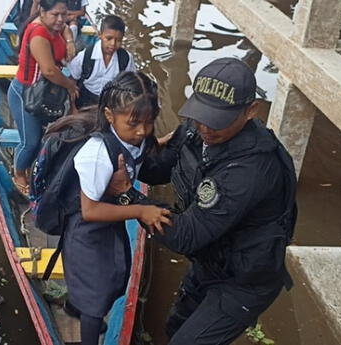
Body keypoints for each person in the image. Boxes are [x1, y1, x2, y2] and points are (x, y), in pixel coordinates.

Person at [107, 58, 298, 345]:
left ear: (250, 111)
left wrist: (128, 195)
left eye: (218, 119)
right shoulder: (195, 131)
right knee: (175, 327)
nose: (206, 128)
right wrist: (133, 143)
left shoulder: (250, 171)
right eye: (201, 114)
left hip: (242, 281)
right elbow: (157, 169)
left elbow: (185, 236)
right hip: (210, 259)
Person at [45, 71, 171, 345]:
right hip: (86, 230)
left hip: (109, 223)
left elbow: (139, 150)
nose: (142, 131)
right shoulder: (96, 154)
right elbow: (89, 211)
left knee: (113, 278)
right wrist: (140, 211)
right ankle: (87, 323)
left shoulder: (135, 138)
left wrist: (160, 142)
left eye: (149, 123)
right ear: (110, 116)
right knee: (95, 298)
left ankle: (73, 305)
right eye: (134, 123)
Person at [8, 0, 78, 196]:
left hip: (44, 94)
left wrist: (70, 41)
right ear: (42, 11)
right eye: (55, 14)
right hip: (26, 93)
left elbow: (65, 29)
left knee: (43, 138)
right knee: (30, 142)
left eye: (64, 14)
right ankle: (19, 173)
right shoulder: (38, 33)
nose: (61, 19)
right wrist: (70, 85)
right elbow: (48, 70)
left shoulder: (56, 25)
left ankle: (32, 166)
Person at [68, 15, 135, 109]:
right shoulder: (86, 55)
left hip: (110, 101)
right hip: (85, 98)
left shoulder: (126, 59)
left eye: (118, 40)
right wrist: (73, 108)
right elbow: (72, 81)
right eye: (109, 38)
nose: (113, 44)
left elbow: (130, 83)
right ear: (100, 35)